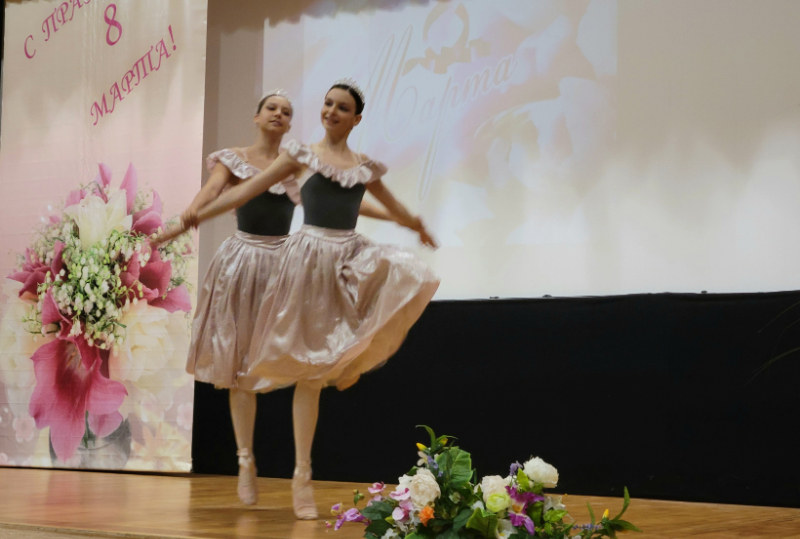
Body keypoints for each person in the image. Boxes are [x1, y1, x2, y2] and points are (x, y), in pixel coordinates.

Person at [158, 79, 439, 519]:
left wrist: (414, 223)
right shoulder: (301, 156)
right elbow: (244, 191)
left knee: (403, 277)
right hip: (307, 261)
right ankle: (259, 463)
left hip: (346, 256)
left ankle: (303, 470)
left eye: (341, 107)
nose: (331, 111)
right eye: (327, 104)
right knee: (289, 369)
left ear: (356, 119)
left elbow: (383, 203)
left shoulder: (364, 166)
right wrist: (189, 219)